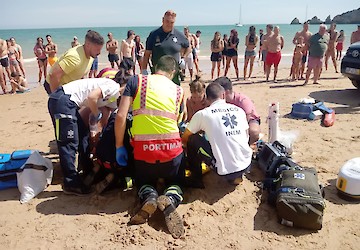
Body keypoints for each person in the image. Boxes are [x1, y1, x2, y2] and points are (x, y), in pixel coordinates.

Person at [115, 55, 185, 239]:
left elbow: (121, 116)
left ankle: (149, 196)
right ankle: (171, 196)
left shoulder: (137, 80)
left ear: (154, 67)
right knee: (176, 181)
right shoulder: (179, 91)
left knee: (143, 179)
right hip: (171, 155)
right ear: (173, 72)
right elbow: (177, 122)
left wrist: (119, 145)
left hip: (143, 154)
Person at [48, 76, 124, 196]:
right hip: (64, 100)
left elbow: (107, 119)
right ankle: (70, 183)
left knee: (83, 135)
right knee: (68, 143)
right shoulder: (113, 87)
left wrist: (97, 135)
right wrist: (96, 113)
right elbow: (92, 97)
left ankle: (87, 169)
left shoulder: (114, 99)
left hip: (69, 103)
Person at [182, 82, 252, 187]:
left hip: (223, 170)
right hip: (246, 164)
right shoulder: (239, 110)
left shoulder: (203, 114)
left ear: (206, 98)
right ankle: (236, 175)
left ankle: (196, 179)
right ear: (223, 95)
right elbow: (246, 136)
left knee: (193, 139)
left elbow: (186, 137)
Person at [44, 30, 104, 94]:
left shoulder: (91, 56)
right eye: (97, 49)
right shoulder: (74, 57)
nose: (99, 53)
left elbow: (81, 73)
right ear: (88, 45)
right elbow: (54, 75)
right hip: (54, 85)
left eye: (100, 49)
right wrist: (55, 96)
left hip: (69, 85)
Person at [142, 10, 190, 85]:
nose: (169, 24)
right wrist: (144, 69)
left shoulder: (179, 35)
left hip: (173, 74)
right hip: (157, 74)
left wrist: (183, 58)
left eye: (172, 22)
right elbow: (147, 54)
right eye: (167, 21)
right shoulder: (153, 34)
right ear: (162, 20)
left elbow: (188, 47)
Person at [215, 76, 261, 144]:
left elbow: (246, 120)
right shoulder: (218, 101)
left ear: (226, 92)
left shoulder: (243, 101)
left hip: (249, 121)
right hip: (227, 121)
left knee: (253, 131)